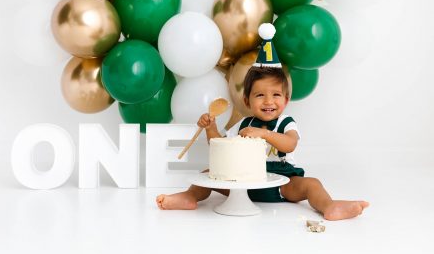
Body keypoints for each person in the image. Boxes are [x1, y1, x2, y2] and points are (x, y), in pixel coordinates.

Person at [156, 24, 369, 220]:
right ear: (247, 100)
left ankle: (329, 206)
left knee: (311, 184)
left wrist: (264, 134)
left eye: (276, 95)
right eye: (260, 96)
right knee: (206, 176)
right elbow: (220, 147)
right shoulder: (244, 124)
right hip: (244, 184)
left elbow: (290, 143)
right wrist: (210, 128)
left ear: (286, 100)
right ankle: (189, 197)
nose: (269, 101)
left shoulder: (286, 123)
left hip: (281, 182)